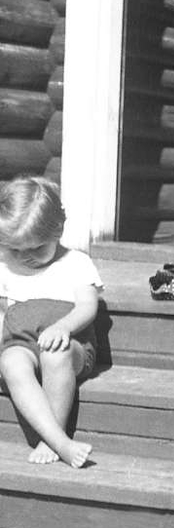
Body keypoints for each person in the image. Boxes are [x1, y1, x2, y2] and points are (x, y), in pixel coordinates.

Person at [0, 175, 102, 468]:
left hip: (72, 346)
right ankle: (62, 442)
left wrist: (63, 327)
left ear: (58, 230)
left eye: (36, 248)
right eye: (16, 249)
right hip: (21, 342)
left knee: (55, 355)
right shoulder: (5, 265)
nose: (26, 258)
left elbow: (87, 307)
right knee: (11, 362)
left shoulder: (75, 263)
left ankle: (52, 440)